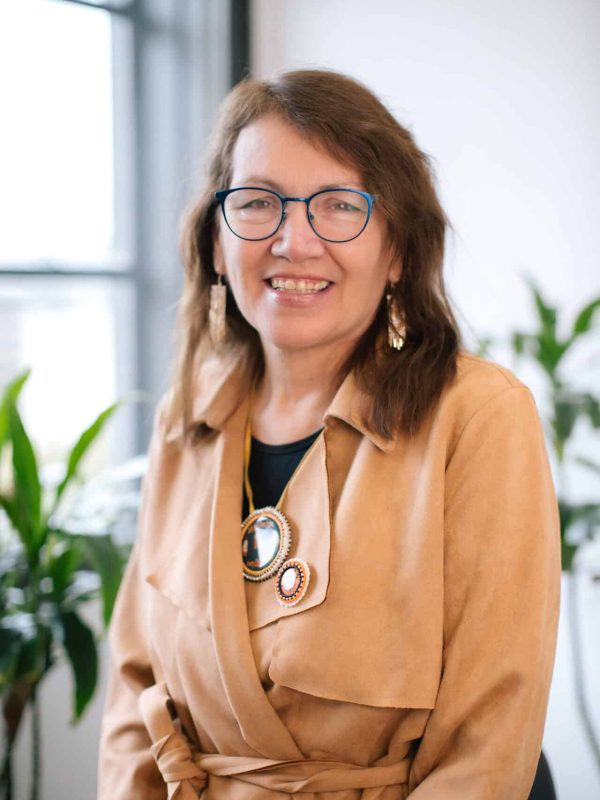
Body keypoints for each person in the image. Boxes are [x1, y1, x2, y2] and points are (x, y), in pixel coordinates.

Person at [98, 69, 561, 799]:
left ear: (398, 251)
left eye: (339, 205)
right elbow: (134, 696)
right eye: (258, 203)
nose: (294, 241)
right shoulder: (184, 418)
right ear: (217, 243)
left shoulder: (478, 417)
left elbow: (486, 752)